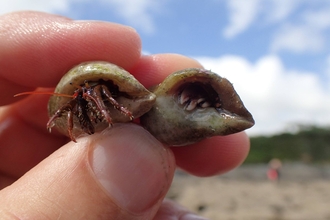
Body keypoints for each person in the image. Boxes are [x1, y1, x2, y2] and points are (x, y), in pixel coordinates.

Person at [0, 11, 250, 219]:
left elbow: (118, 95)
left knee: (94, 92)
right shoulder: (79, 96)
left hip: (110, 96)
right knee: (86, 95)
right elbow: (72, 107)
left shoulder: (115, 92)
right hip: (93, 102)